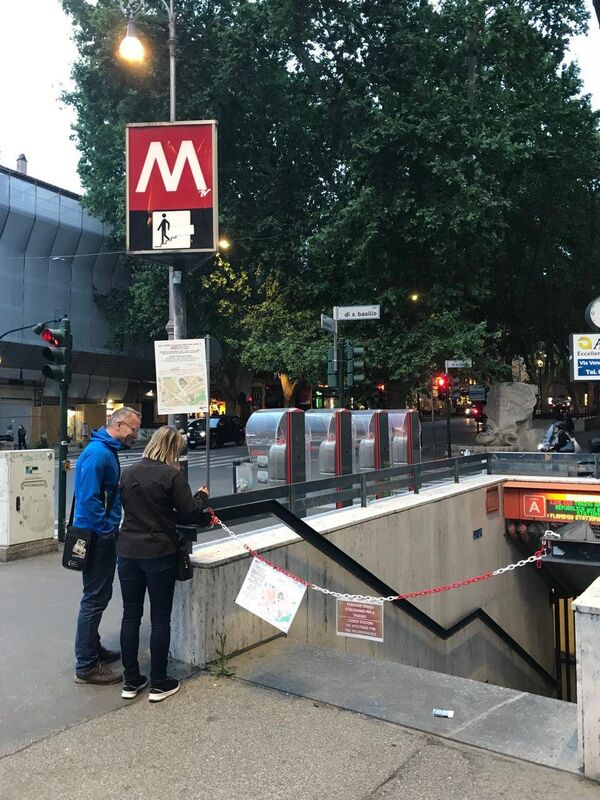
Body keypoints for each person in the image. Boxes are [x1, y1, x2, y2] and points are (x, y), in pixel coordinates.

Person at [117, 426, 212, 702]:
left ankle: (131, 681)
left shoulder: (129, 472)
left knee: (130, 616)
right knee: (160, 617)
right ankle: (159, 681)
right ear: (171, 449)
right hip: (158, 552)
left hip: (127, 551)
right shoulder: (172, 475)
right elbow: (190, 512)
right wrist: (202, 496)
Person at [73, 407, 141, 685]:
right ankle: (87, 664)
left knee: (98, 596)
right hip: (96, 534)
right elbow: (87, 498)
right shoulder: (99, 453)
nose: (135, 435)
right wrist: (106, 531)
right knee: (95, 597)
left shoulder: (104, 449)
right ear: (120, 425)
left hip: (97, 532)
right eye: (133, 429)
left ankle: (92, 649)